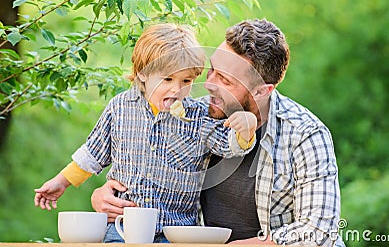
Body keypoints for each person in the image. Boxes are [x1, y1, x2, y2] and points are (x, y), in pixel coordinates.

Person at [90, 19, 345, 246]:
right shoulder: (194, 116)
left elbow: (318, 230)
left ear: (261, 92)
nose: (209, 83)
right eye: (211, 69)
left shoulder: (304, 135)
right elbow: (144, 165)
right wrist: (106, 197)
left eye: (225, 80)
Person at [33, 23, 257, 243]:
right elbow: (92, 154)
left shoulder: (198, 116)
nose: (176, 89)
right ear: (142, 73)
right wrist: (60, 182)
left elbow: (229, 145)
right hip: (121, 228)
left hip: (176, 232)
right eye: (167, 79)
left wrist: (246, 127)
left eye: (186, 80)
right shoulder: (120, 107)